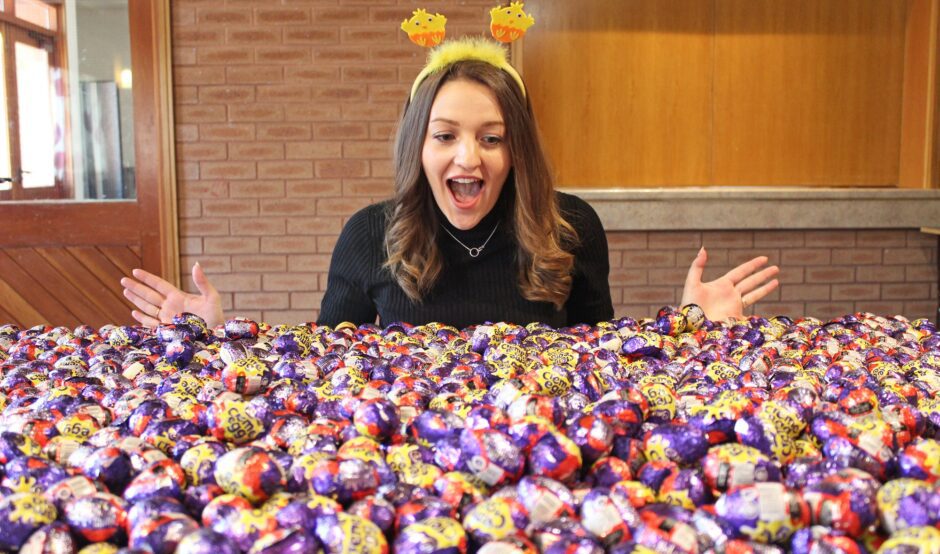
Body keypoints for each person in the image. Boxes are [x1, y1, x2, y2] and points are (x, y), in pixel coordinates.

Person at [121, 37, 778, 330]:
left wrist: (689, 326)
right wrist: (216, 334)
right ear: (418, 145)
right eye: (446, 136)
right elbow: (322, 371)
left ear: (517, 148)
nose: (470, 158)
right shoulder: (368, 234)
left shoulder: (569, 227)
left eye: (492, 138)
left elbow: (597, 359)